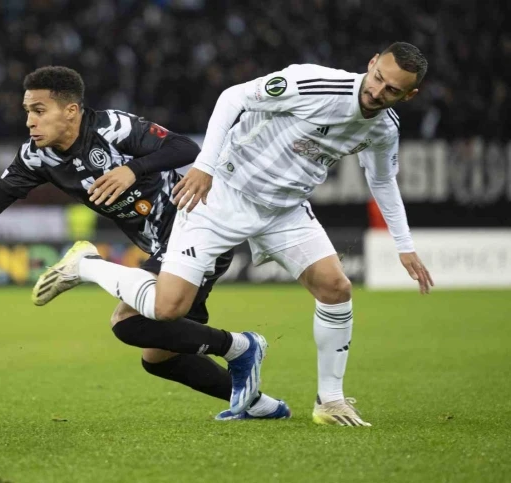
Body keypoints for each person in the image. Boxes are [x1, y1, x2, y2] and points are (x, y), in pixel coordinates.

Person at [33, 43, 435, 426]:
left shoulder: (384, 127)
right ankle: (87, 265)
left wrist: (404, 246)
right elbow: (232, 97)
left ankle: (330, 400)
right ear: (371, 63)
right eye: (378, 77)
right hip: (222, 192)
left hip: (284, 209)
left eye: (392, 89)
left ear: (409, 95)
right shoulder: (315, 83)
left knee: (336, 288)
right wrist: (205, 165)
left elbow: (383, 180)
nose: (378, 91)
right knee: (167, 307)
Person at [0, 66, 289, 420]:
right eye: (27, 111)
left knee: (128, 323)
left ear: (71, 111)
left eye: (39, 110)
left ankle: (239, 346)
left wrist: (133, 169)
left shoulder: (111, 128)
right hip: (165, 245)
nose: (29, 121)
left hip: (195, 227)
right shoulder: (37, 157)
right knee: (159, 357)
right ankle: (260, 405)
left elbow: (186, 148)